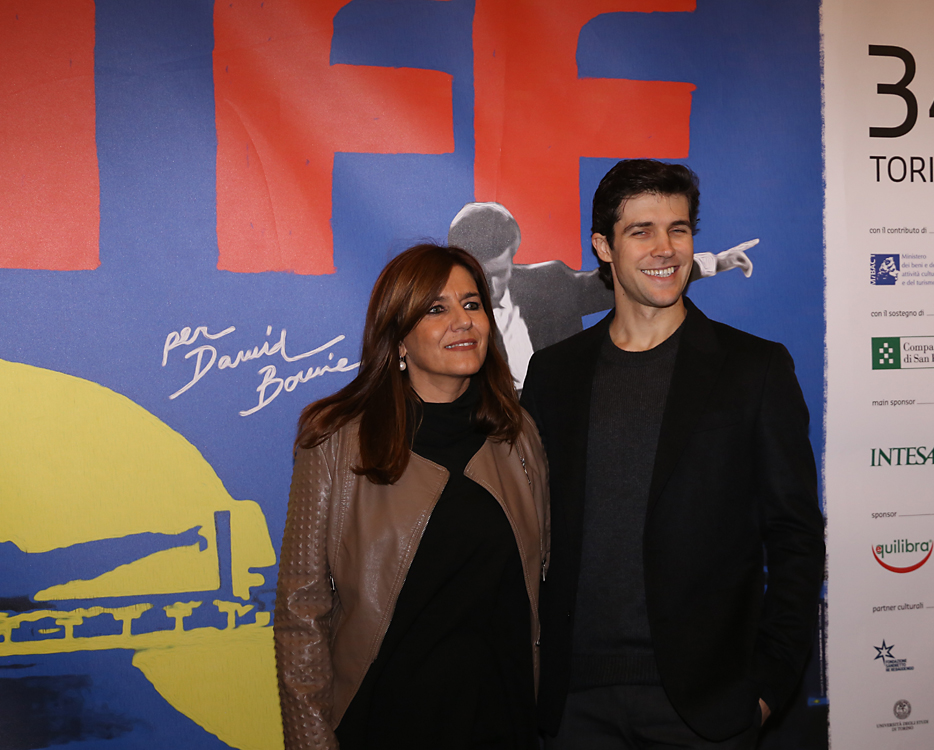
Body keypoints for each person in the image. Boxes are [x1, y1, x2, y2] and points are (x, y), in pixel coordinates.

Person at [521, 160, 824, 749]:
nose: (666, 249)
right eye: (642, 231)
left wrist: (766, 686)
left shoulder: (754, 369)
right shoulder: (553, 373)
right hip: (571, 708)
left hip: (706, 710)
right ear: (603, 247)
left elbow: (796, 535)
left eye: (679, 229)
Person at [274, 244, 550, 750]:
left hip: (504, 721)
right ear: (398, 337)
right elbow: (300, 611)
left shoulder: (517, 434)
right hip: (384, 722)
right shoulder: (336, 440)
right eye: (436, 309)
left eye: (472, 305)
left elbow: (543, 584)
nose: (463, 322)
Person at [448, 201, 756, 390]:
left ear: (513, 257)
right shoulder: (446, 314)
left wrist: (713, 262)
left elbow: (626, 281)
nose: (490, 283)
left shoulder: (551, 282)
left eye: (500, 272)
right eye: (481, 273)